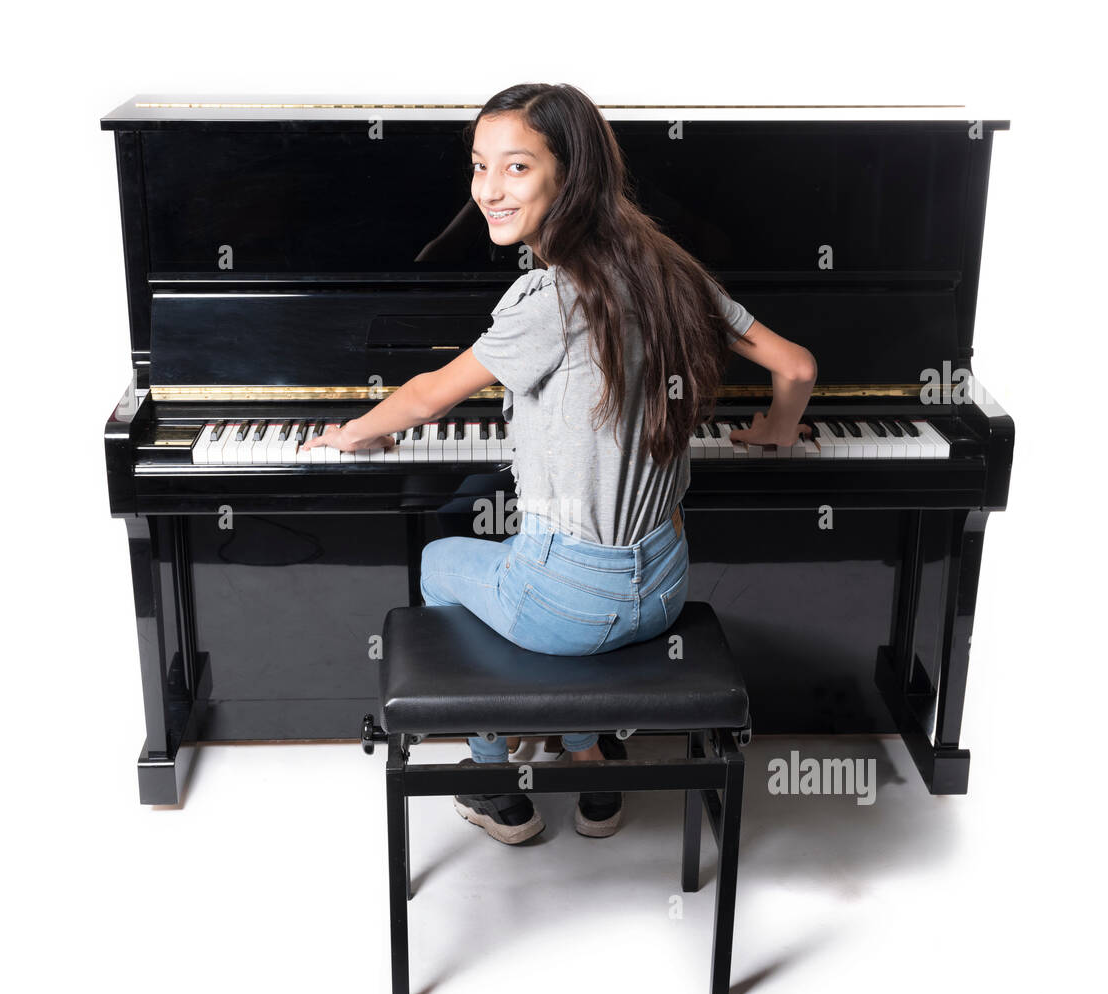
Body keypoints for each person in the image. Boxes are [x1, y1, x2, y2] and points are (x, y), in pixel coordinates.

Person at [305, 83, 816, 844]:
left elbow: (423, 398)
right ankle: (585, 747)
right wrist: (778, 426)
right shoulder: (669, 267)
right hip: (667, 584)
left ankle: (490, 782)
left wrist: (350, 434)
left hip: (572, 603)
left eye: (516, 168)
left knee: (442, 562)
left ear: (569, 173)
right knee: (544, 572)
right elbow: (797, 365)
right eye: (480, 167)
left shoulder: (549, 297)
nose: (487, 190)